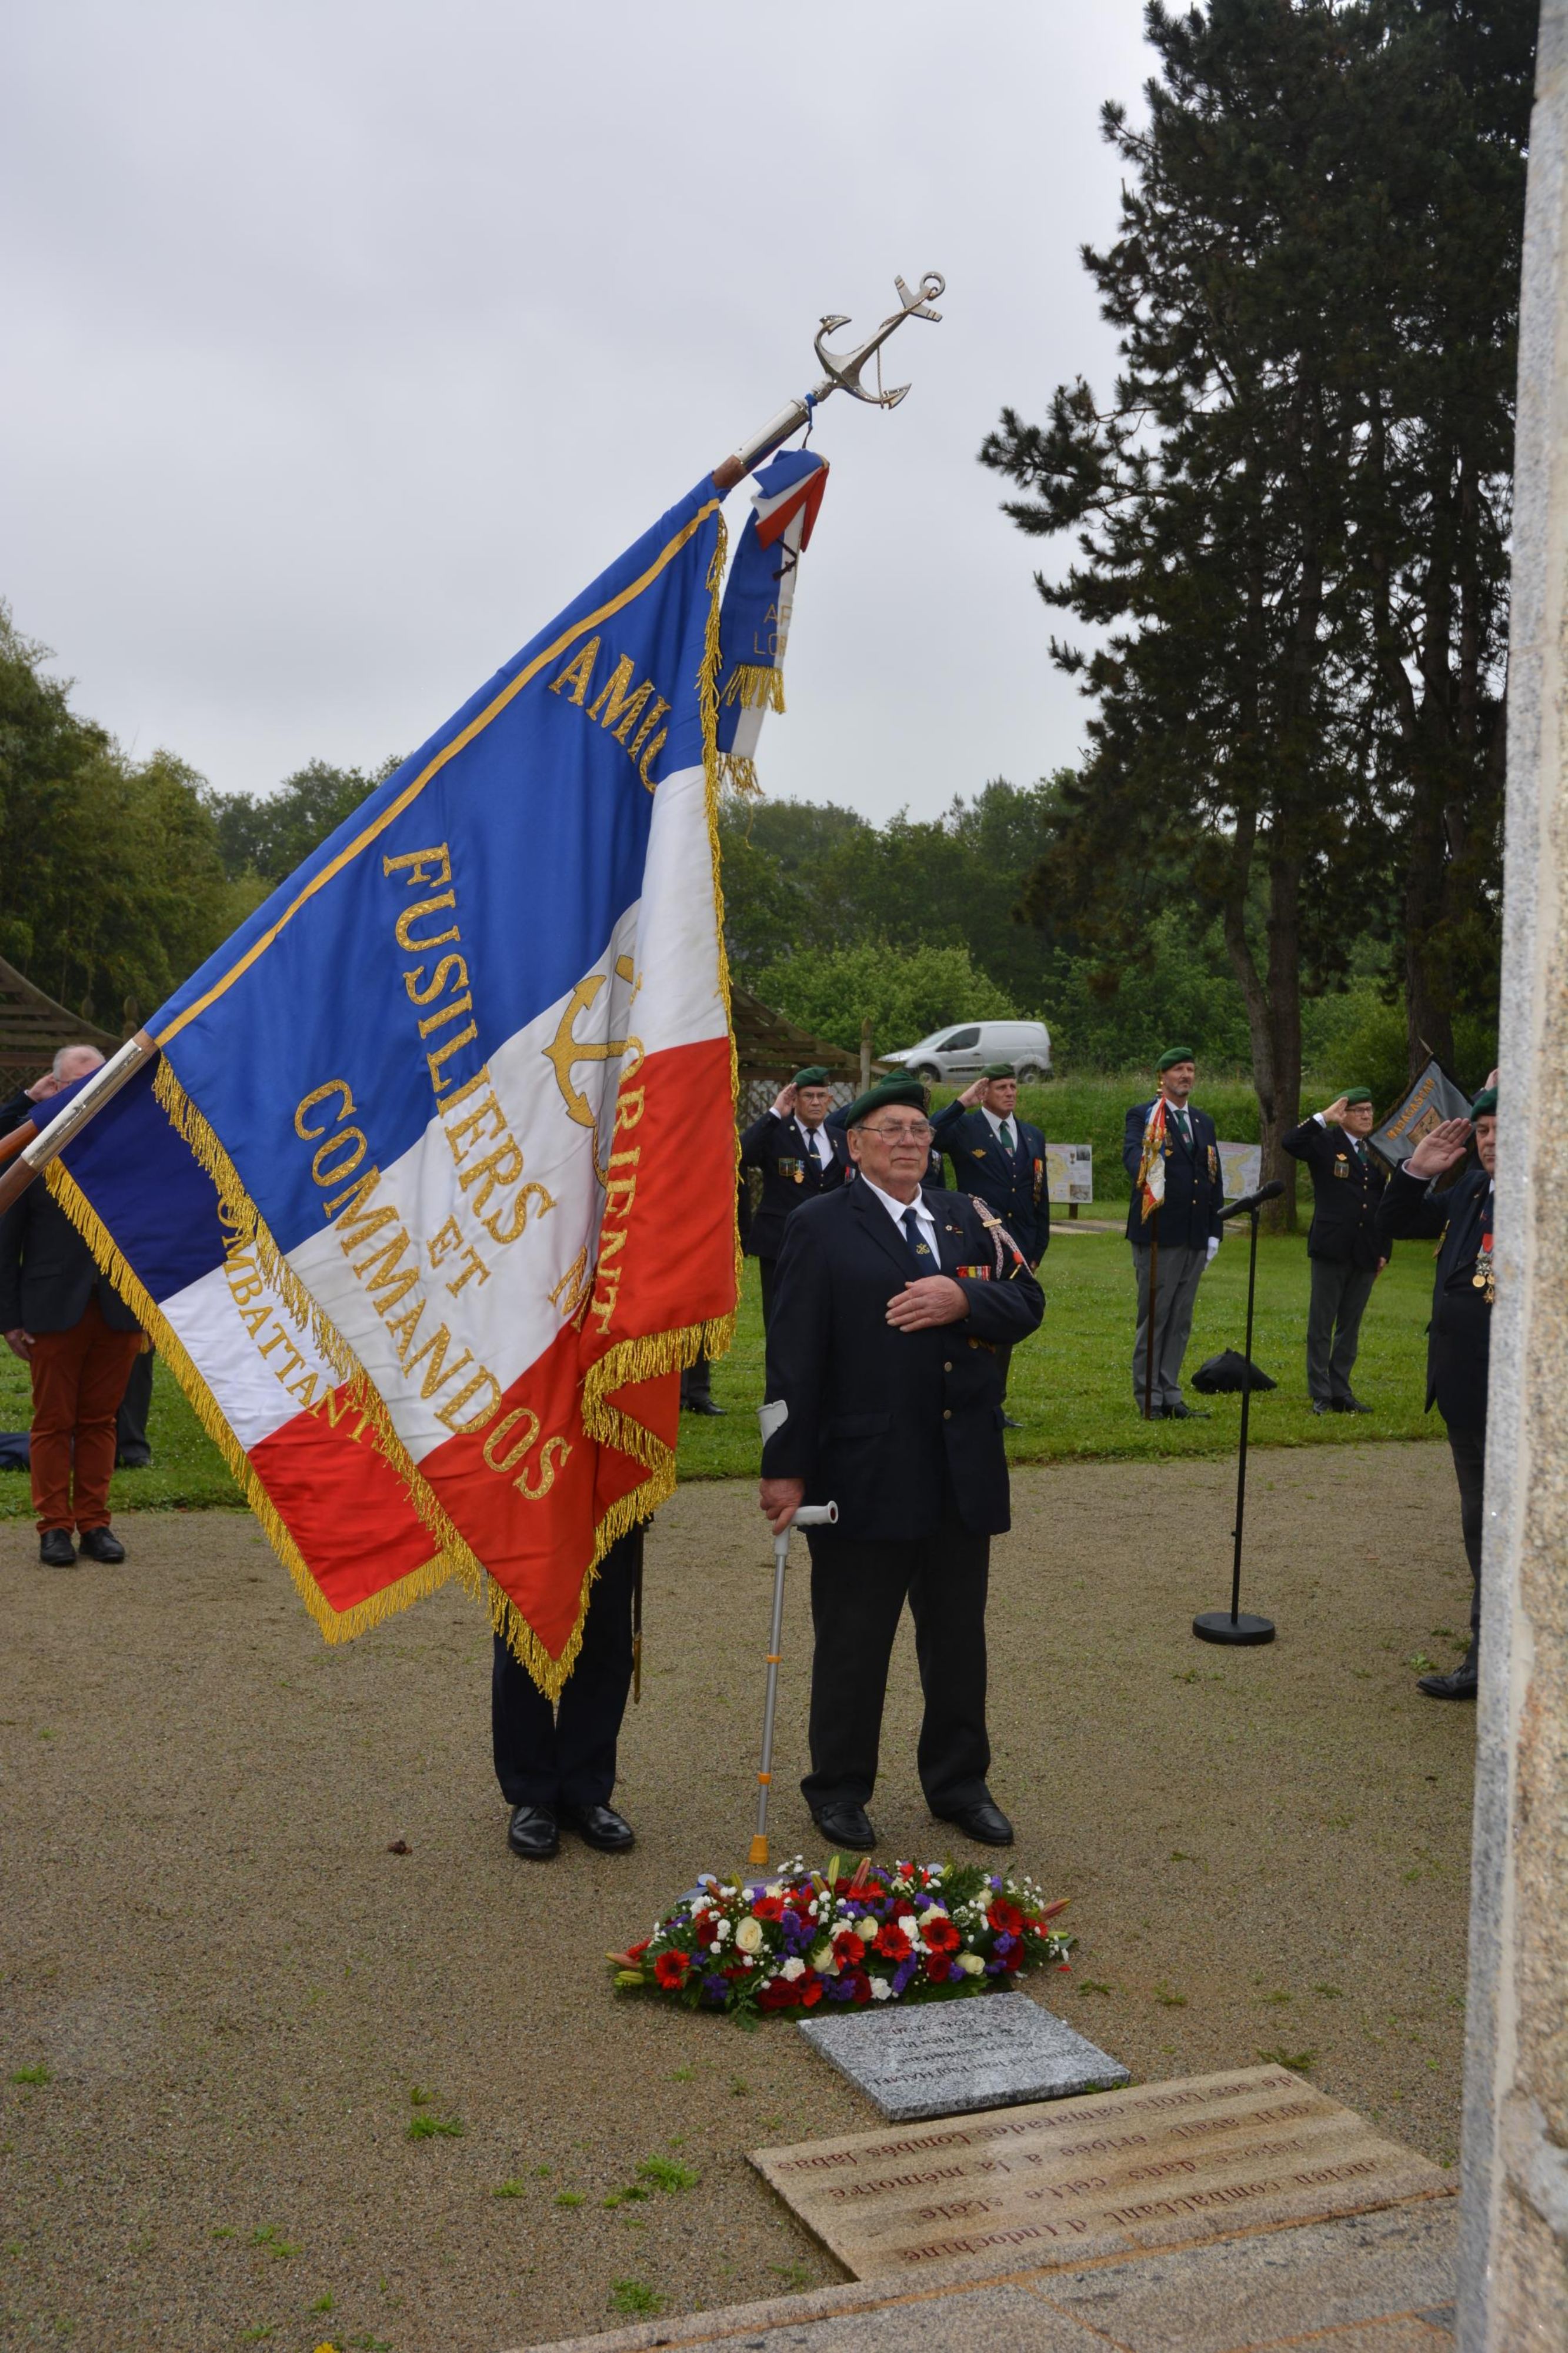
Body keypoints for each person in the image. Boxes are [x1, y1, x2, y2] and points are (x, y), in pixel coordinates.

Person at [758, 1074, 1044, 1852]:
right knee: (853, 1642)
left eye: (918, 1129)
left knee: (956, 1642)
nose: (909, 1141)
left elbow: (1028, 1300)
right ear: (855, 1146)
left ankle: (958, 1784)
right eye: (890, 1129)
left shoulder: (967, 1215)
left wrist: (963, 1299)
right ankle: (839, 1788)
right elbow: (791, 1355)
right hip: (864, 1472)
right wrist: (783, 1465)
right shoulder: (820, 1224)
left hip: (960, 1469)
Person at [1375, 1082, 1497, 1701]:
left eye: (1504, 1130)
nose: (1491, 1141)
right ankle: (1489, 1656)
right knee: (1481, 1526)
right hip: (1463, 1391)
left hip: (1515, 1404)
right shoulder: (1473, 1189)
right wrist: (1416, 1172)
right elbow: (1398, 1222)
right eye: (1484, 1132)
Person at [0, 1046, 144, 1566]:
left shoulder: (134, 1149)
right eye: (80, 1083)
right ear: (56, 1089)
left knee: (101, 1422)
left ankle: (95, 1524)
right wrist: (10, 1319)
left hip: (119, 1308)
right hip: (51, 1307)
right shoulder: (32, 1153)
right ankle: (54, 1528)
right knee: (53, 1422)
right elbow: (6, 1243)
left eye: (100, 1080)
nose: (92, 1091)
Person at [493, 1524, 643, 1857]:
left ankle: (585, 1789)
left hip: (606, 1497)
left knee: (606, 1632)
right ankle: (532, 1791)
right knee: (523, 1637)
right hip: (518, 1503)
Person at [932, 1062, 1049, 1427]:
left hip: (1018, 1243)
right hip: (978, 1239)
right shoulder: (965, 1128)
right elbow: (930, 1135)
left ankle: (995, 1402)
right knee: (977, 1318)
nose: (1010, 1093)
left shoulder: (1031, 1135)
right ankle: (971, 1399)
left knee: (1006, 1320)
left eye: (1013, 1087)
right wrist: (961, 1103)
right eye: (1001, 1088)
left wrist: (1037, 1247)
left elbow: (1039, 1193)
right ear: (985, 1093)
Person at [1123, 1049, 1225, 1418]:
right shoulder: (1145, 1116)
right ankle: (1149, 1396)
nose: (1186, 1075)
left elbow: (1213, 1177)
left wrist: (1215, 1230)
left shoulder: (1202, 1121)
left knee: (1180, 1319)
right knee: (1156, 1317)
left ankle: (1170, 1393)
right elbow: (1133, 1161)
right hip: (1160, 1233)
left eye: (1191, 1069)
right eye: (1179, 1069)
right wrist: (1149, 1157)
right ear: (1162, 1076)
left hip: (1195, 1233)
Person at [1282, 1089, 1388, 1415]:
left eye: (1370, 1110)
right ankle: (1321, 1392)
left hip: (1366, 1249)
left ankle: (1341, 1390)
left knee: (1350, 1326)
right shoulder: (1326, 1142)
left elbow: (1384, 1204)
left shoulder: (1377, 1150)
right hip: (1332, 1246)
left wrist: (1384, 1248)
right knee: (1322, 1324)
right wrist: (1323, 1118)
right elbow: (1290, 1143)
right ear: (1344, 1115)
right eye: (1359, 1111)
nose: (1367, 1116)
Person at [740, 1066, 852, 1325]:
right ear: (795, 1098)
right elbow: (742, 1154)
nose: (816, 1102)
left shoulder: (841, 1139)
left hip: (829, 1241)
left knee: (825, 1313)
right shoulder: (776, 1132)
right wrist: (776, 1112)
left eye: (821, 1096)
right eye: (808, 1096)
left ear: (830, 1099)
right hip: (781, 1241)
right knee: (781, 1314)